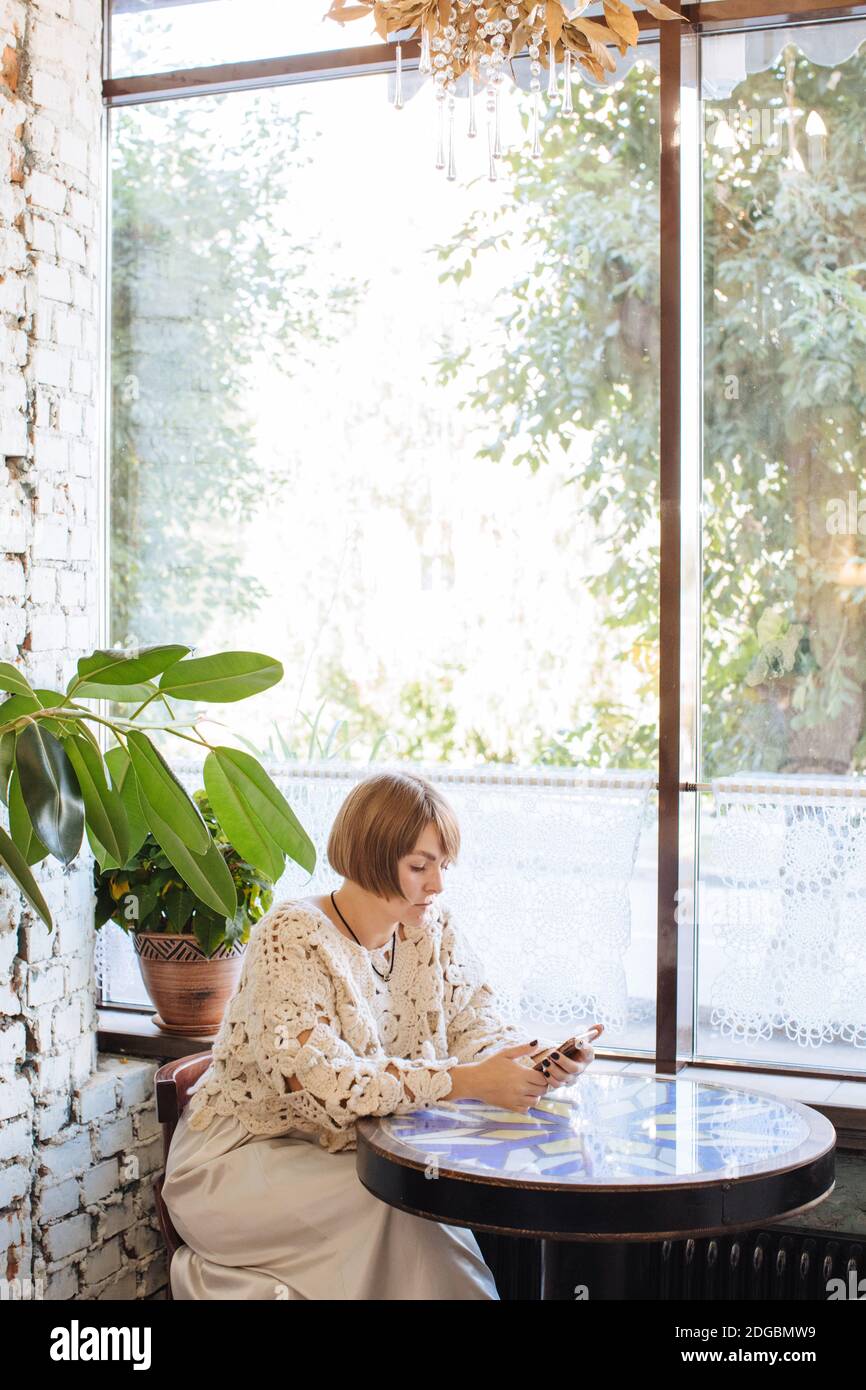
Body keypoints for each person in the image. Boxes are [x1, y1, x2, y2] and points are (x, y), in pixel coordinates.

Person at [161, 770, 596, 1300]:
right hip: (243, 1160)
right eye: (419, 866)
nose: (436, 884)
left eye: (442, 866)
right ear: (369, 856)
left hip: (355, 1152)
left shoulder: (431, 925)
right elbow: (321, 1082)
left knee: (413, 1195)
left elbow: (474, 1022)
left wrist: (529, 1061)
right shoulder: (292, 935)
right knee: (398, 1204)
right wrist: (469, 1082)